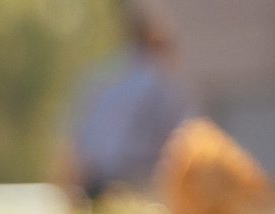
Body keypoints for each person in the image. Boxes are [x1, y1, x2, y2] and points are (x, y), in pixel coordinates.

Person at [67, 5, 191, 201]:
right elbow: (181, 140)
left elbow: (77, 144)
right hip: (138, 186)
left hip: (95, 185)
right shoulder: (158, 81)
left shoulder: (100, 75)